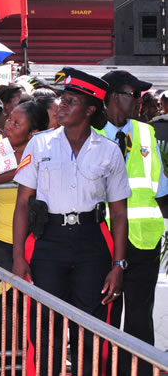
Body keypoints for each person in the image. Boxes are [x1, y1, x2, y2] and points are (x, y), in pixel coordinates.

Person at [12, 68, 130, 376]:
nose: (61, 105)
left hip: (92, 242)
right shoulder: (39, 145)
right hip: (48, 241)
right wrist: (18, 257)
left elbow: (119, 213)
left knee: (91, 329)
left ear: (90, 110)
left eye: (70, 101)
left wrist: (119, 265)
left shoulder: (109, 151)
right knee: (44, 326)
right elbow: (22, 204)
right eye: (62, 99)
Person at [98, 70, 168, 376]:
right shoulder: (89, 132)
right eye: (134, 94)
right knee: (105, 317)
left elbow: (159, 185)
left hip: (144, 238)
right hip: (103, 239)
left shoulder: (145, 133)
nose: (140, 100)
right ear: (114, 96)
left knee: (140, 318)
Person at [0, 100, 49, 271]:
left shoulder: (46, 154)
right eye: (9, 119)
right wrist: (25, 168)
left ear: (32, 133)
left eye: (16, 124)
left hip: (37, 239)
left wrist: (23, 167)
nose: (8, 126)